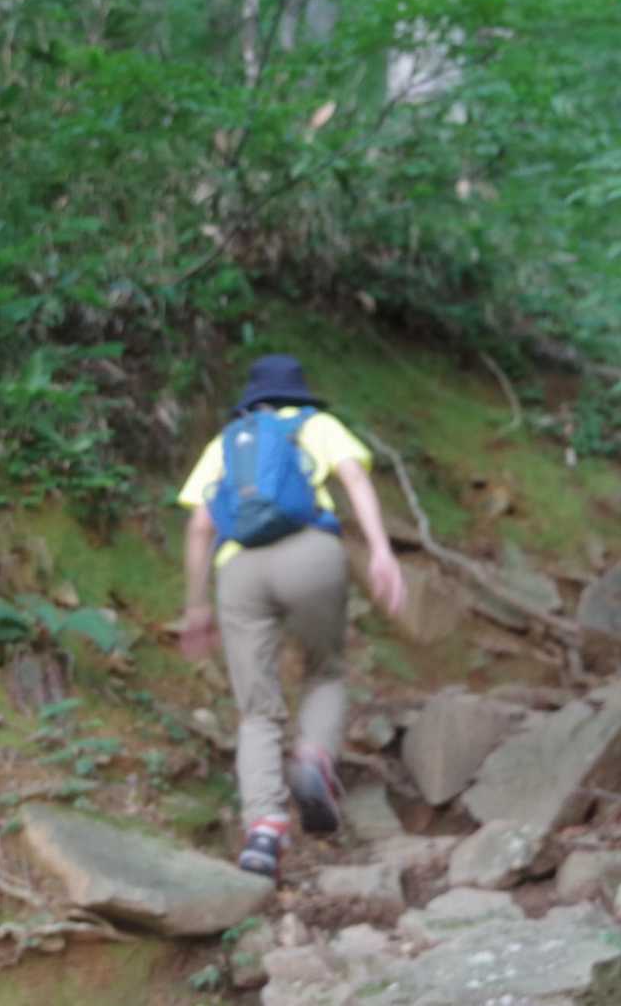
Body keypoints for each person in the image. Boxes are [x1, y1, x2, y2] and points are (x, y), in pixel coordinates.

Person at [177, 354, 406, 880]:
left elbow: (199, 527)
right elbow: (354, 478)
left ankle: (264, 829)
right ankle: (312, 759)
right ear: (297, 394)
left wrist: (196, 605)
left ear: (252, 400)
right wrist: (380, 551)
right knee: (325, 671)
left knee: (256, 709)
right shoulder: (316, 425)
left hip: (240, 570)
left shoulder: (227, 442)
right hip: (311, 554)